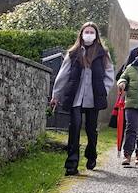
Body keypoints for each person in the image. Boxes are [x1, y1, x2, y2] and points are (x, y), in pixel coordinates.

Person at [49, 21, 116, 176]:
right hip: (76, 96)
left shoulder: (103, 53)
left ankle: (91, 155)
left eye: (92, 32)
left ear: (96, 35)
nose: (89, 34)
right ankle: (71, 165)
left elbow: (109, 75)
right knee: (75, 127)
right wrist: (56, 95)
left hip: (93, 97)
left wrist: (103, 91)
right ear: (81, 33)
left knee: (91, 130)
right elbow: (63, 74)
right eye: (86, 31)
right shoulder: (73, 53)